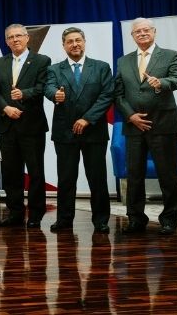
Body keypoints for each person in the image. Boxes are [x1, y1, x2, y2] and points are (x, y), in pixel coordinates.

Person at [114, 17, 177, 235]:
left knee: (168, 175)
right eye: (138, 31)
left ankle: (169, 219)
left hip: (163, 124)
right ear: (132, 36)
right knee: (134, 175)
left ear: (154, 32)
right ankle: (136, 219)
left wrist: (160, 83)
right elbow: (118, 93)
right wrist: (130, 116)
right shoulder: (123, 61)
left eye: (146, 30)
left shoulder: (170, 55)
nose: (142, 34)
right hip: (134, 126)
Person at [44, 27, 115, 233]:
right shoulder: (55, 69)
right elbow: (48, 87)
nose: (74, 44)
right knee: (66, 179)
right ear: (64, 45)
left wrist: (87, 119)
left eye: (78, 40)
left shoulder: (101, 67)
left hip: (94, 131)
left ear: (84, 42)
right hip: (65, 132)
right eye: (70, 41)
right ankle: (64, 220)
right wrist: (54, 95)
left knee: (97, 179)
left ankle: (101, 220)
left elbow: (107, 96)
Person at [0, 23, 52, 228]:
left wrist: (25, 93)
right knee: (11, 173)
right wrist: (5, 108)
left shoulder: (42, 61)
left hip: (31, 125)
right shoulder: (0, 62)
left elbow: (44, 87)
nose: (15, 39)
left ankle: (35, 215)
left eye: (19, 36)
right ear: (6, 41)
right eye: (10, 37)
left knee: (35, 173)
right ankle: (15, 213)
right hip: (7, 124)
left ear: (27, 38)